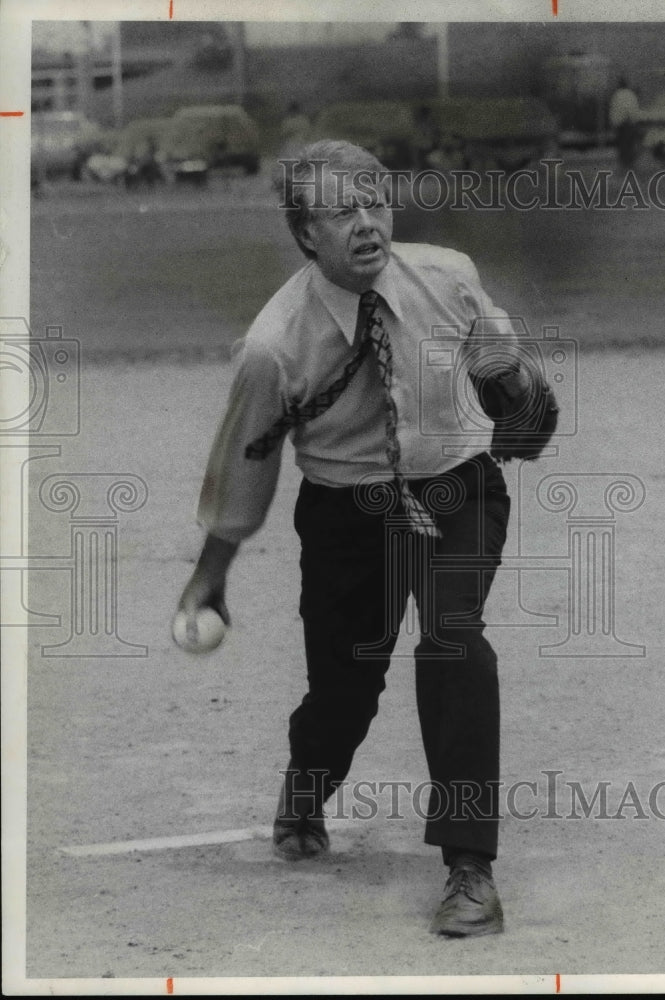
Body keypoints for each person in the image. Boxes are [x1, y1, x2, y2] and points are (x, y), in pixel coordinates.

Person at [178, 138, 526, 938]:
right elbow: (244, 464)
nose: (368, 224)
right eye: (342, 212)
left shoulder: (447, 275)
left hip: (454, 491)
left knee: (452, 639)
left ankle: (469, 867)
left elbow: (501, 364)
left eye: (376, 203)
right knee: (344, 691)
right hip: (345, 515)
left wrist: (513, 389)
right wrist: (210, 576)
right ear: (305, 233)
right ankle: (308, 780)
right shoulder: (275, 346)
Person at [608, 76, 641, 169]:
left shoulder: (616, 94)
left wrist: (614, 123)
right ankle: (630, 162)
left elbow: (613, 110)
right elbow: (633, 109)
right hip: (630, 122)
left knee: (622, 144)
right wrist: (634, 120)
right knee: (630, 144)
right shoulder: (631, 94)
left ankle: (624, 163)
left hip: (620, 123)